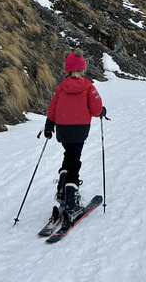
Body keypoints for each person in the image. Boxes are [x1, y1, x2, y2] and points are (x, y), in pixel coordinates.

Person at [44, 48, 106, 215]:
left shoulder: (61, 87)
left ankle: (62, 188)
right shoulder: (88, 86)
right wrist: (102, 112)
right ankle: (71, 196)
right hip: (79, 128)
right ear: (82, 68)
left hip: (63, 128)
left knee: (69, 154)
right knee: (74, 158)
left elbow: (53, 107)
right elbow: (96, 109)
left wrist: (49, 125)